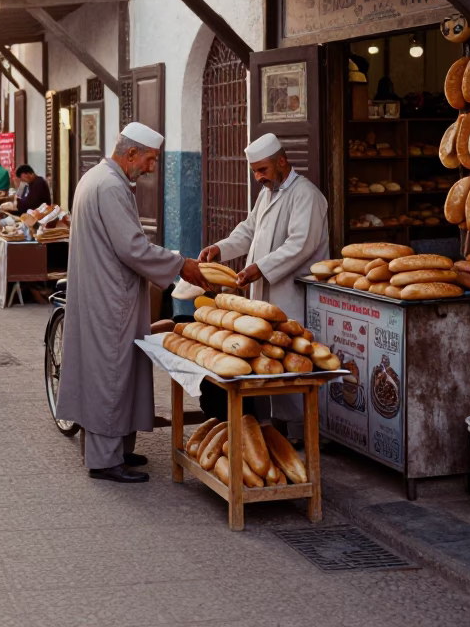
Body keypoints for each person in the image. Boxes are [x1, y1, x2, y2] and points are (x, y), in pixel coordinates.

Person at [55, 123, 209, 483]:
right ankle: (105, 461)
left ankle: (119, 450)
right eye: (151, 159)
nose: (153, 167)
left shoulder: (98, 178)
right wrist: (180, 264)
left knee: (118, 371)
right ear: (131, 154)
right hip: (111, 296)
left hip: (103, 289)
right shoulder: (110, 186)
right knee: (111, 372)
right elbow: (131, 248)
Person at [199, 132, 329, 441]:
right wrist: (220, 248)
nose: (258, 177)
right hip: (266, 294)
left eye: (263, 170)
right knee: (271, 361)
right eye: (255, 171)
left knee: (294, 364)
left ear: (282, 161)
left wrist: (261, 267)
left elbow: (301, 244)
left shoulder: (306, 195)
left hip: (291, 295)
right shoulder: (269, 192)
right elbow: (248, 230)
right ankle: (279, 434)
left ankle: (305, 437)